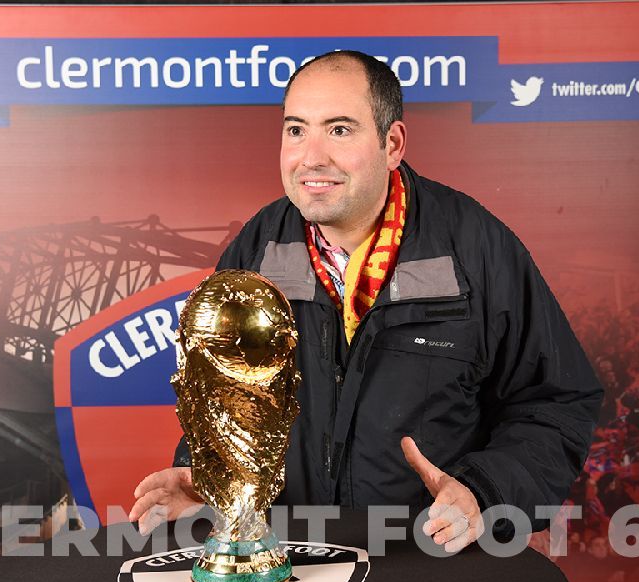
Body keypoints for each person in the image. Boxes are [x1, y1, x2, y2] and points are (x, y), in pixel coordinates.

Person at [130, 50, 603, 553]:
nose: (311, 156)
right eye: (296, 130)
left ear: (392, 143)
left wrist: (484, 493)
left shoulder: (475, 246)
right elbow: (223, 397)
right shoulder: (257, 251)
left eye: (339, 130)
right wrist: (210, 479)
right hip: (291, 571)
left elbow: (556, 403)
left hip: (427, 570)